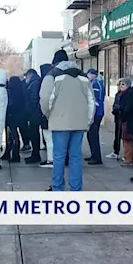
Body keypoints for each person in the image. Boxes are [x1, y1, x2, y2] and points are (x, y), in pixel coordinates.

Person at [39, 51, 94, 192]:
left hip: (59, 123)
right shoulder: (83, 76)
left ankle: (58, 188)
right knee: (75, 156)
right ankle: (76, 189)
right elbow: (91, 101)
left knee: (59, 157)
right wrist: (88, 120)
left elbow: (45, 99)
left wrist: (48, 114)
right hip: (79, 123)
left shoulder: (52, 75)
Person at [85, 68, 106, 165]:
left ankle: (96, 157)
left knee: (93, 135)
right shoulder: (98, 82)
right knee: (91, 134)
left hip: (96, 113)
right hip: (98, 112)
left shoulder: (95, 83)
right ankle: (93, 155)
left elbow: (95, 100)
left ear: (92, 74)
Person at [5, 76, 27, 163]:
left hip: (11, 116)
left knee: (13, 136)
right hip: (20, 116)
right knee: (15, 136)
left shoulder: (10, 92)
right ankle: (14, 154)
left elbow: (10, 104)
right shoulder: (22, 91)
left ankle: (14, 155)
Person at [108, 77, 131, 160]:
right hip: (118, 117)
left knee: (126, 137)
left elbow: (128, 106)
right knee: (117, 135)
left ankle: (128, 156)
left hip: (125, 118)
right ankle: (116, 151)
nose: (121, 86)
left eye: (123, 84)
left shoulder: (129, 93)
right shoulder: (118, 94)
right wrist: (115, 110)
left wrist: (120, 108)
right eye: (119, 84)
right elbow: (115, 104)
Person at [23, 68, 43, 164]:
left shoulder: (34, 83)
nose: (25, 78)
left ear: (30, 74)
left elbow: (33, 98)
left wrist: (30, 110)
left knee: (34, 134)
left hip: (34, 113)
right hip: (35, 113)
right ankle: (35, 154)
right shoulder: (36, 82)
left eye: (26, 75)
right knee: (34, 134)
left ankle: (35, 155)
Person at [38, 63, 54, 167]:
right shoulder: (55, 80)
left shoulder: (45, 82)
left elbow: (44, 100)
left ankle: (50, 159)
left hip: (47, 115)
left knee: (49, 139)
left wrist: (45, 113)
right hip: (56, 115)